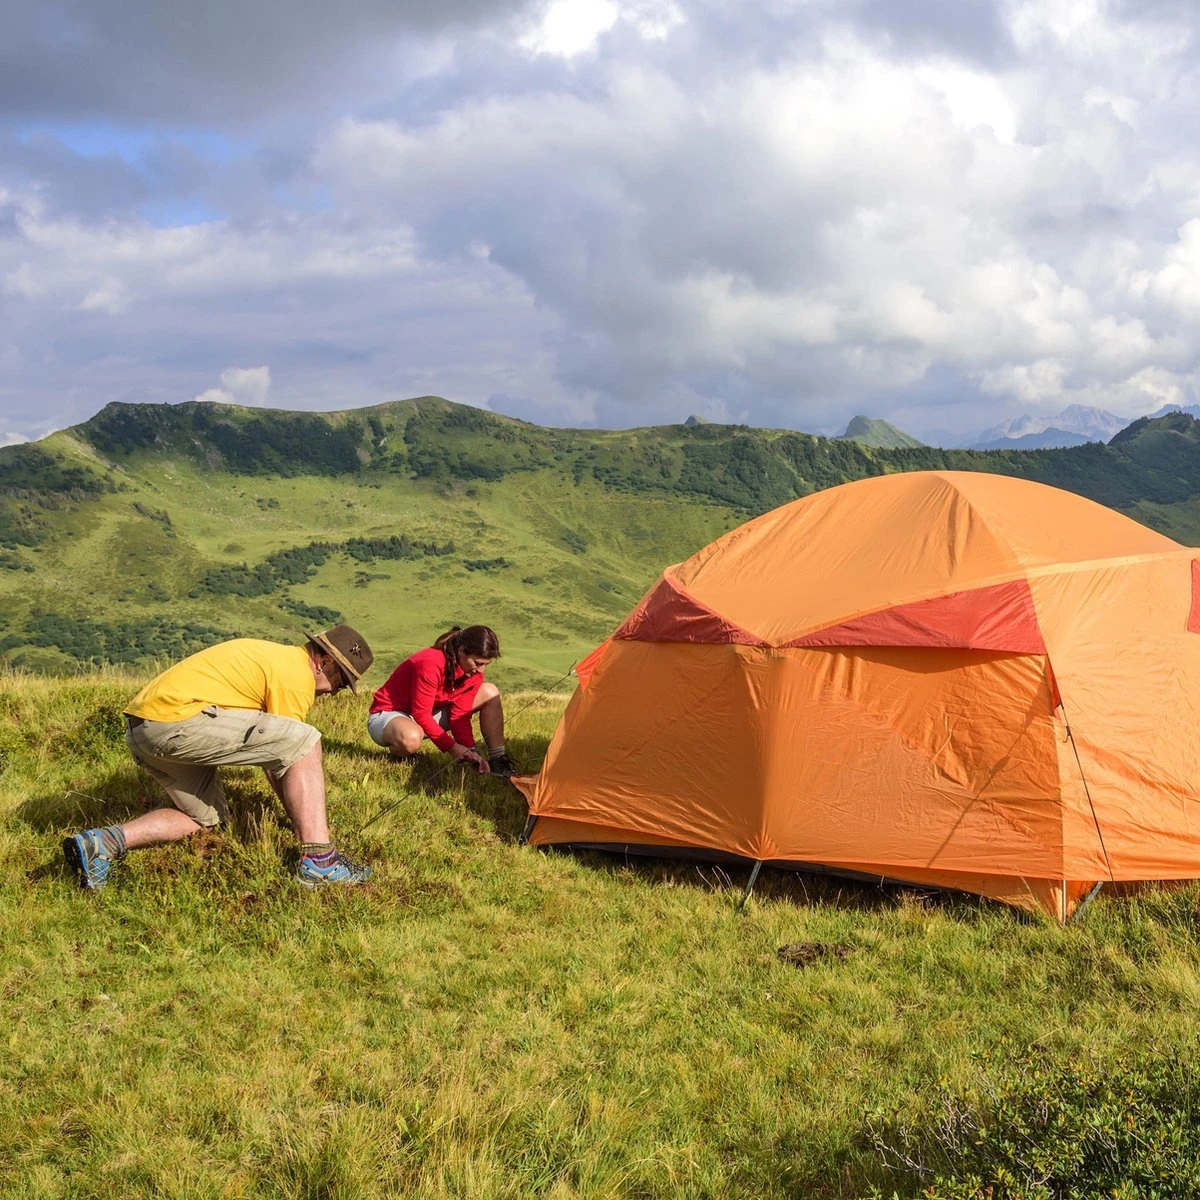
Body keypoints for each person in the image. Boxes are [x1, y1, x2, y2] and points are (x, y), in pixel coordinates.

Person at [63, 625, 375, 891]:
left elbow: (275, 756)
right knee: (306, 738)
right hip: (174, 722)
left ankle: (101, 844)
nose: (337, 692)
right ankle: (321, 862)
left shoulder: (277, 657)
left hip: (144, 729)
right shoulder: (294, 675)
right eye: (342, 681)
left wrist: (298, 822)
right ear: (323, 661)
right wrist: (303, 828)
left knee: (205, 821)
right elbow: (287, 754)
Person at [367, 625, 520, 777]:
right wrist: (452, 747)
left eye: (486, 664)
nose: (481, 670)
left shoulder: (472, 672)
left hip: (425, 714)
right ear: (461, 651)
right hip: (388, 714)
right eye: (478, 663)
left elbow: (460, 715)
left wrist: (471, 752)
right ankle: (402, 753)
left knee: (489, 692)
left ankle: (498, 761)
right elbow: (421, 714)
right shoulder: (430, 663)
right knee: (411, 738)